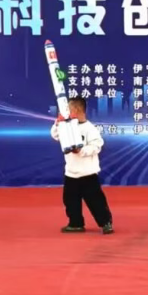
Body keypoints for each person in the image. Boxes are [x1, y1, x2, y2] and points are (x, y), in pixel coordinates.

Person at [51, 97, 113, 235]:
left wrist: (81, 151)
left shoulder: (90, 128)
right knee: (70, 200)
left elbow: (97, 146)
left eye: (68, 109)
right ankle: (75, 223)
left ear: (77, 110)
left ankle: (106, 223)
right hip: (71, 172)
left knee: (95, 200)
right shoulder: (66, 126)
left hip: (88, 173)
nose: (66, 112)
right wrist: (57, 123)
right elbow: (55, 135)